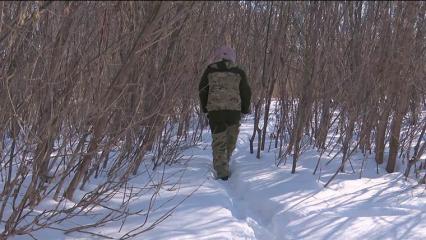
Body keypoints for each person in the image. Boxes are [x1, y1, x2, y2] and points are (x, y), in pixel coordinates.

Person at [199, 46, 251, 180]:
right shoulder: (239, 71)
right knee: (230, 140)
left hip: (215, 111)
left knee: (219, 140)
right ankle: (223, 167)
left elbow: (202, 89)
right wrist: (245, 108)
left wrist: (205, 107)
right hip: (233, 112)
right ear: (232, 57)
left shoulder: (210, 70)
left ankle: (222, 167)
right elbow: (246, 91)